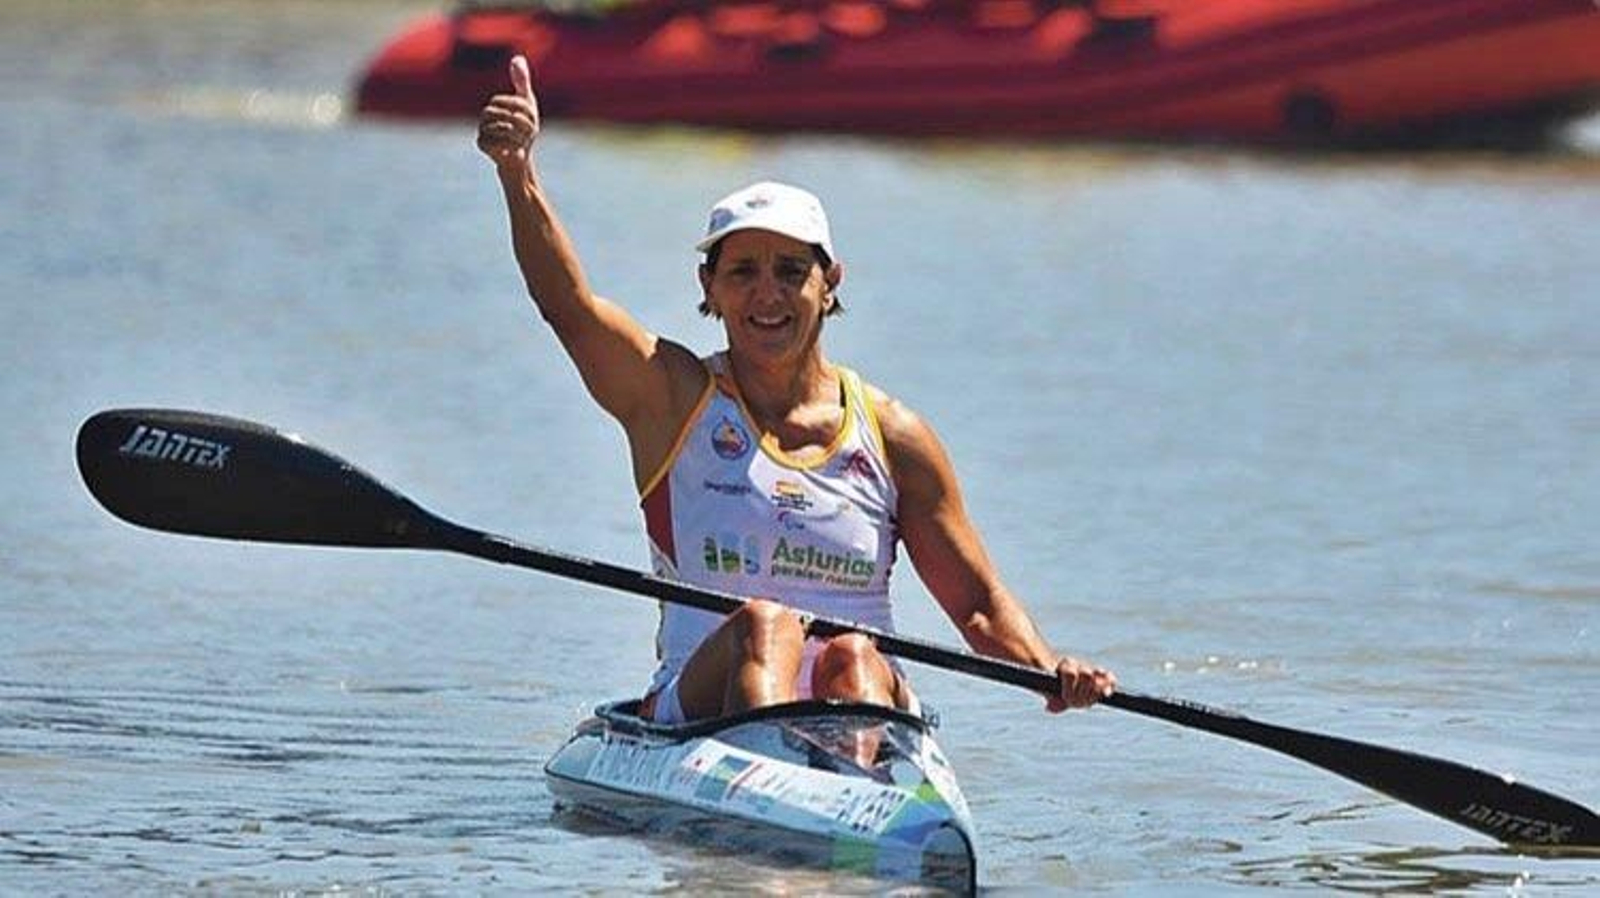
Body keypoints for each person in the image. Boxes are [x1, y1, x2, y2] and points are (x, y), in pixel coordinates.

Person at [477, 56, 1115, 724]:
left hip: (860, 702)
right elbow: (570, 309)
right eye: (743, 272)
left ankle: (855, 787)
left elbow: (979, 607)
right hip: (704, 706)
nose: (767, 295)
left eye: (789, 271)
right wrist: (517, 172)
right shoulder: (673, 400)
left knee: (856, 658)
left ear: (829, 282)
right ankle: (778, 767)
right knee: (766, 624)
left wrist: (1050, 670)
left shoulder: (895, 437)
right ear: (709, 289)